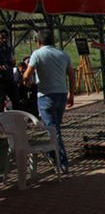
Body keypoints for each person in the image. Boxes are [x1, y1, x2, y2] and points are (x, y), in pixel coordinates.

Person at [22, 30, 75, 173]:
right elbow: (71, 74)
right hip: (62, 94)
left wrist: (27, 83)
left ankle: (61, 162)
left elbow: (27, 75)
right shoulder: (63, 54)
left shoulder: (37, 54)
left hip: (45, 95)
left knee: (53, 130)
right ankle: (52, 154)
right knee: (55, 127)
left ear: (38, 42)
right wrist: (72, 94)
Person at [0, 29, 17, 110]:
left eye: (6, 37)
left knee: (15, 97)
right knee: (1, 99)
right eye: (2, 37)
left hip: (9, 76)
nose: (4, 39)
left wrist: (12, 63)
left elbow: (11, 61)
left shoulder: (8, 48)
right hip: (1, 78)